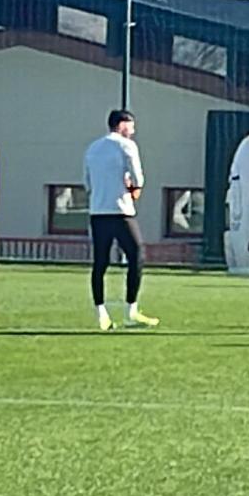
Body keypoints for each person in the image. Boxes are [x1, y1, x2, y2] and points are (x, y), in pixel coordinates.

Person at [83, 110, 159, 331]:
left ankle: (101, 314)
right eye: (131, 126)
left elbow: (87, 182)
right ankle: (131, 311)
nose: (133, 131)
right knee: (137, 255)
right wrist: (134, 188)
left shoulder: (92, 148)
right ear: (122, 125)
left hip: (97, 212)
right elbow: (138, 178)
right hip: (121, 211)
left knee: (100, 262)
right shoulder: (126, 146)